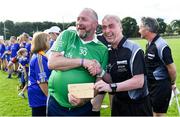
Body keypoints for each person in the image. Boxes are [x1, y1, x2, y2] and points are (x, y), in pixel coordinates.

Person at [47, 8, 108, 116]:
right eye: (78, 19)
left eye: (84, 19)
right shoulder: (67, 35)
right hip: (55, 104)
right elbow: (52, 63)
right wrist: (83, 62)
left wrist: (83, 100)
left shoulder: (102, 49)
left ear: (95, 24)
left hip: (83, 108)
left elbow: (99, 82)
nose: (79, 23)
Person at [94, 15, 152, 116]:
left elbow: (139, 81)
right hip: (118, 105)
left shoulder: (133, 48)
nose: (107, 31)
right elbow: (113, 79)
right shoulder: (109, 52)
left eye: (111, 26)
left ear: (121, 28)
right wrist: (101, 72)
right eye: (104, 27)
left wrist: (111, 87)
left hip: (137, 107)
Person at [139, 17, 177, 116]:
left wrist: (172, 82)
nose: (139, 30)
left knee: (158, 115)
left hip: (160, 86)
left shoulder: (162, 45)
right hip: (150, 85)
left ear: (147, 29)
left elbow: (172, 69)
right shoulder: (149, 44)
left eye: (140, 27)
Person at [27, 32, 51, 116]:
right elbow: (42, 81)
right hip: (40, 95)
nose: (50, 42)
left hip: (38, 94)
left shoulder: (39, 55)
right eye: (48, 40)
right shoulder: (39, 58)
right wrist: (50, 98)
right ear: (42, 42)